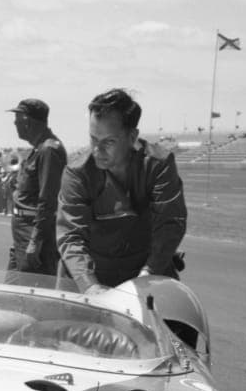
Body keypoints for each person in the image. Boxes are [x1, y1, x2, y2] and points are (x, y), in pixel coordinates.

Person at [56, 88, 187, 294]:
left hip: (146, 269)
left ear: (132, 136)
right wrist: (89, 285)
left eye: (108, 141)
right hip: (87, 274)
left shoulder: (158, 165)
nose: (98, 150)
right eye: (93, 139)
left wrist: (147, 276)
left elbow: (169, 224)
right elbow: (71, 235)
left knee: (169, 322)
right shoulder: (77, 172)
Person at [5, 98, 66, 280]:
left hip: (32, 232)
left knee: (31, 289)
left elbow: (48, 199)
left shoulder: (48, 150)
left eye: (17, 119)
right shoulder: (39, 149)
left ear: (27, 121)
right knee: (12, 290)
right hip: (23, 233)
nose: (14, 123)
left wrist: (35, 240)